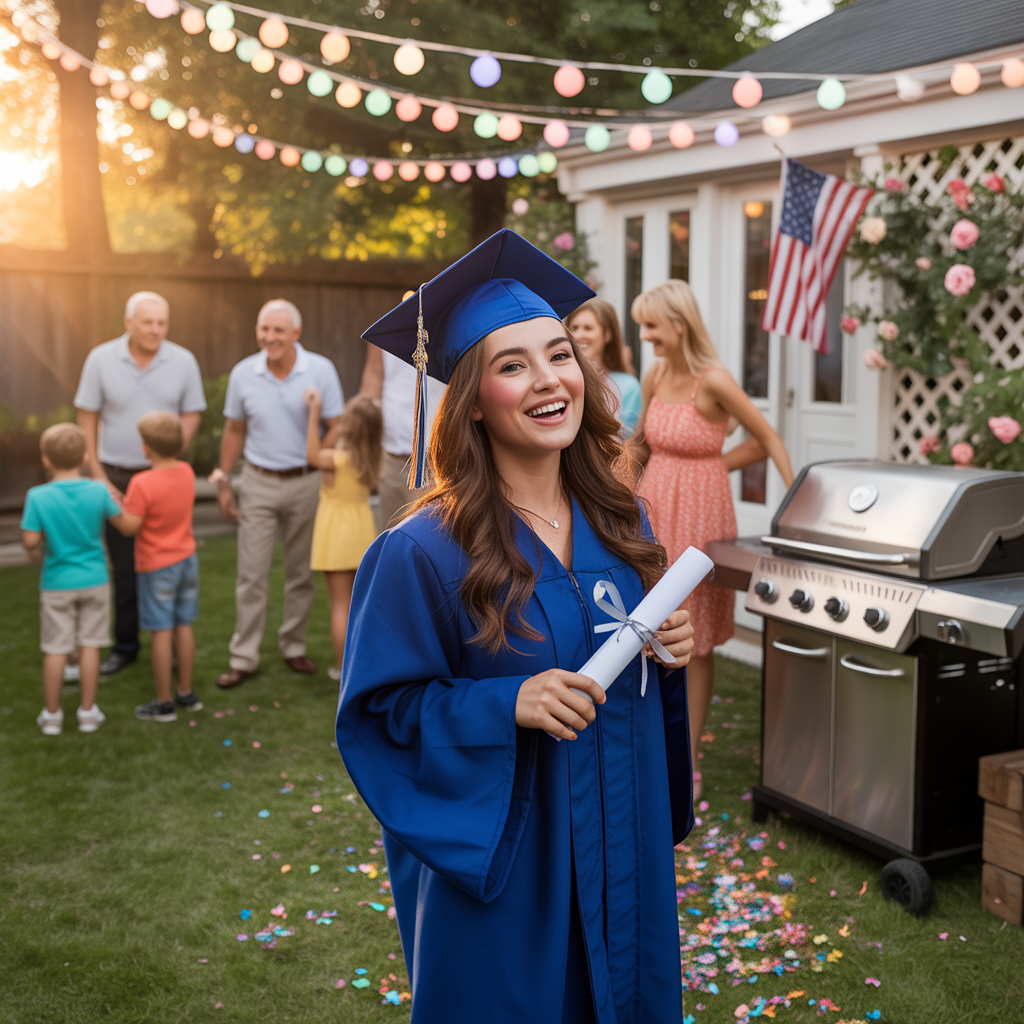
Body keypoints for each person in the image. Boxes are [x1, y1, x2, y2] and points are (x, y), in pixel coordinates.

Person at [336, 230, 696, 1024]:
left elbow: (629, 682)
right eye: (513, 364)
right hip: (510, 869)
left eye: (560, 353)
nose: (548, 380)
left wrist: (667, 654)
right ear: (470, 395)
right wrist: (507, 703)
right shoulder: (421, 552)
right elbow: (379, 718)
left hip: (621, 853)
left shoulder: (622, 520)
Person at [632, 279, 794, 799]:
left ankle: (689, 755)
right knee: (650, 621)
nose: (645, 335)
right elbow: (639, 444)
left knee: (694, 640)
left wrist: (794, 504)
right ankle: (650, 735)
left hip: (702, 517)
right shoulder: (655, 373)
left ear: (679, 325)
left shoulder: (716, 380)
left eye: (651, 325)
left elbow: (767, 439)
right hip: (655, 507)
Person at [211, 299, 344, 689]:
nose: (269, 337)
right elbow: (234, 430)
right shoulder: (243, 373)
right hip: (258, 481)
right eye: (264, 329)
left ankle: (293, 645)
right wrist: (224, 482)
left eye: (278, 331)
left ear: (295, 334)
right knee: (251, 575)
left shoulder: (320, 370)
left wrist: (318, 459)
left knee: (300, 574)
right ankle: (244, 656)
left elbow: (337, 424)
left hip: (306, 483)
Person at [74, 291, 206, 677]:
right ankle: (126, 645)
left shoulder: (183, 360)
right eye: (147, 322)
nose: (155, 330)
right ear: (129, 322)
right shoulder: (100, 359)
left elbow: (193, 412)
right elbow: (87, 417)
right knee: (125, 567)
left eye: (161, 323)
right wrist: (98, 475)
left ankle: (172, 644)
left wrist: (170, 458)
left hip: (166, 477)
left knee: (172, 557)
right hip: (114, 473)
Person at [20, 423, 134, 735]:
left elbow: (30, 542)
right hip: (95, 580)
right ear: (85, 456)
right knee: (90, 647)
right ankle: (87, 713)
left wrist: (38, 544)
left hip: (57, 583)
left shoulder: (37, 496)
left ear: (46, 459)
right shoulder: (98, 490)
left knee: (56, 649)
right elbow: (124, 526)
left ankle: (52, 716)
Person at [117, 412, 202, 722]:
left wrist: (115, 507)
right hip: (186, 561)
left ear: (146, 448)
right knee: (184, 627)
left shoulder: (141, 482)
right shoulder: (187, 472)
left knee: (161, 632)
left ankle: (164, 703)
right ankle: (187, 693)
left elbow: (129, 527)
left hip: (157, 567)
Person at [304, 390, 382, 680]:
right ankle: (363, 664)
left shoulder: (336, 459)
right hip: (362, 532)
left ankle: (343, 669)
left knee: (340, 605)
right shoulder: (372, 457)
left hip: (336, 533)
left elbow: (311, 455)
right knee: (358, 605)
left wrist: (315, 413)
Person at [358, 343, 446, 530]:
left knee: (436, 533)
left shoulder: (448, 325)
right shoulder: (385, 329)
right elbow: (373, 380)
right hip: (392, 454)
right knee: (392, 531)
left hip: (439, 456)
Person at [565, 297, 642, 435]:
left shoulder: (628, 386)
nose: (578, 335)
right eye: (574, 328)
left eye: (588, 328)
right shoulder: (560, 380)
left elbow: (624, 440)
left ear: (608, 335)